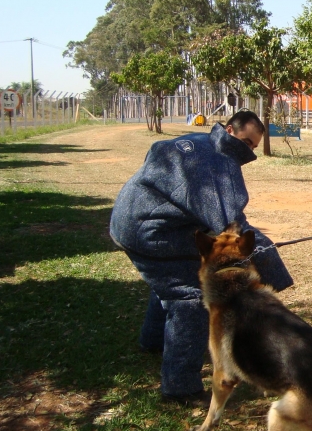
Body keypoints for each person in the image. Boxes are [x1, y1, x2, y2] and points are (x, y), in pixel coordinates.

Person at [110, 110, 293, 405]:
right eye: (246, 142)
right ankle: (179, 387)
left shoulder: (196, 142)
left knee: (173, 280)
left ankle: (154, 340)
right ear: (230, 131)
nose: (249, 151)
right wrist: (265, 255)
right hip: (150, 234)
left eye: (254, 147)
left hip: (129, 222)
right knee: (190, 300)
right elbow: (231, 225)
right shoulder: (216, 162)